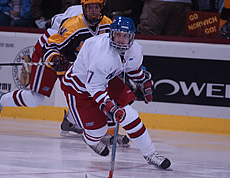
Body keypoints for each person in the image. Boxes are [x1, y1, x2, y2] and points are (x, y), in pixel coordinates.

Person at [0, 0, 129, 145]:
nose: (93, 11)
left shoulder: (107, 24)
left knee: (87, 93)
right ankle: (0, 98)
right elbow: (51, 43)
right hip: (51, 52)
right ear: (84, 7)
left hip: (73, 61)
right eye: (89, 7)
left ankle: (71, 121)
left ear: (102, 6)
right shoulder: (74, 20)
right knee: (35, 99)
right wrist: (55, 58)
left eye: (96, 7)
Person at [60, 16, 171, 169]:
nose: (120, 39)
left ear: (131, 37)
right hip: (79, 87)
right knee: (98, 131)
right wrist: (111, 108)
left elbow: (133, 69)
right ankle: (90, 139)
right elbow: (94, 88)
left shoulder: (135, 50)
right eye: (117, 35)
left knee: (130, 115)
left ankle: (150, 154)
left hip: (107, 79)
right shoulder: (102, 55)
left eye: (125, 36)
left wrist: (144, 82)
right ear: (111, 34)